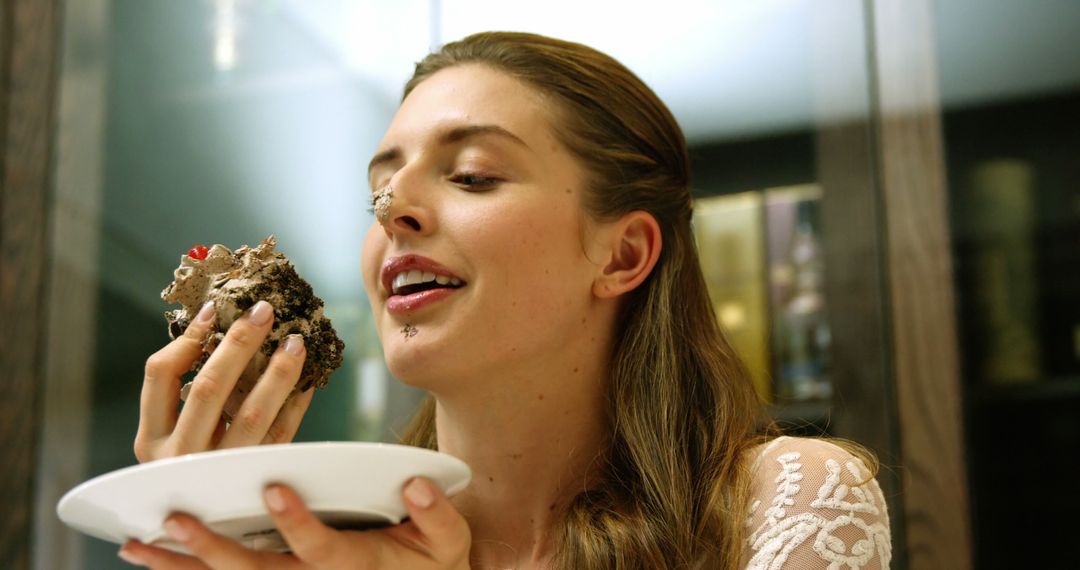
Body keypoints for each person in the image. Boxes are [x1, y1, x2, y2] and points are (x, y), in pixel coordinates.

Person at [119, 32, 891, 570]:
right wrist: (216, 528)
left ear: (623, 255)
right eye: (379, 190)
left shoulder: (784, 501)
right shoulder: (314, 544)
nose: (392, 210)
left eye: (474, 175)